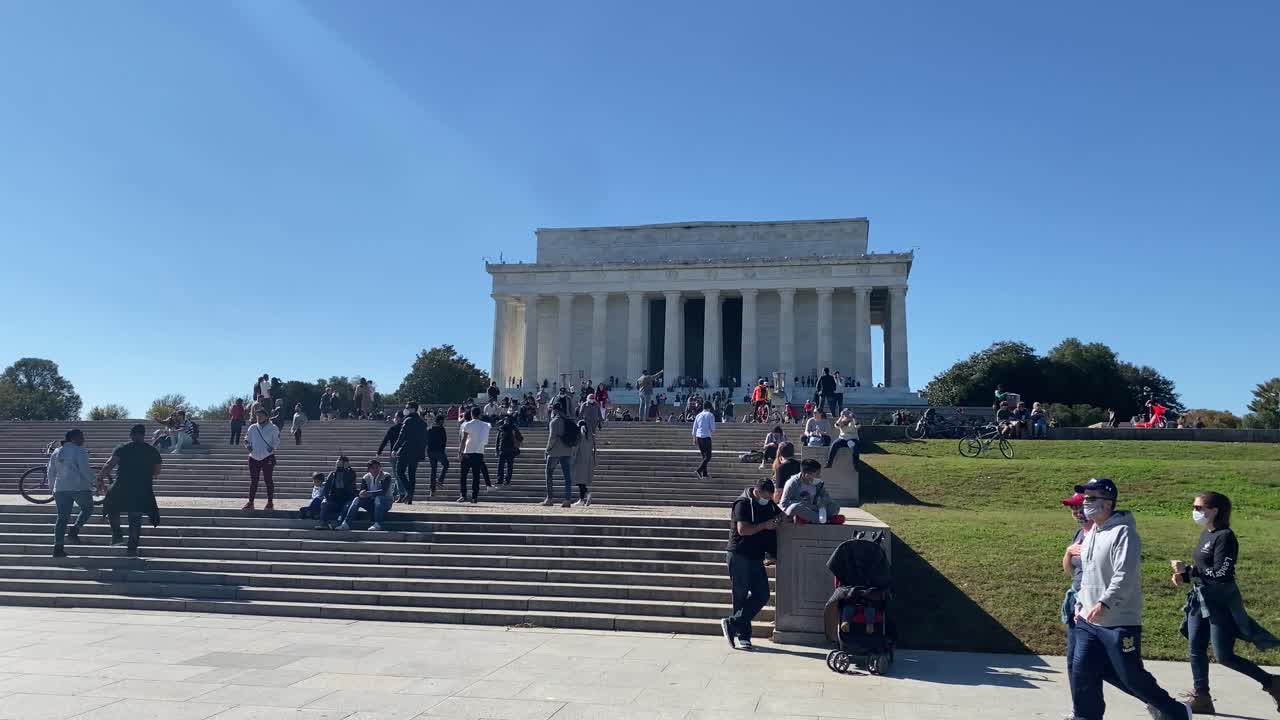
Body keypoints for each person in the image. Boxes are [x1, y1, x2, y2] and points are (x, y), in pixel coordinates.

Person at [1069, 478, 1191, 720]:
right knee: (1082, 672)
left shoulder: (1124, 533)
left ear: (1107, 503)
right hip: (1087, 621)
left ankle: (1175, 712)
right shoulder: (1092, 530)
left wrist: (1104, 603)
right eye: (1085, 498)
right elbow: (1088, 573)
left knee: (1131, 676)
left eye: (1091, 499)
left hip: (1118, 619)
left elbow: (1124, 575)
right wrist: (1082, 603)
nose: (1085, 504)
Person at [1171, 491, 1279, 715]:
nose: (1195, 511)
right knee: (1195, 649)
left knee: (1224, 656)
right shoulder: (1206, 534)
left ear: (1215, 511)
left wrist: (1191, 570)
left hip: (1219, 603)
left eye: (1199, 508)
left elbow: (1221, 572)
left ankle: (1272, 683)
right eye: (1195, 507)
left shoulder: (1225, 537)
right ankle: (1202, 697)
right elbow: (1204, 571)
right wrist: (1185, 576)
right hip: (1199, 600)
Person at [721, 478, 783, 651]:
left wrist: (779, 520)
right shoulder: (743, 503)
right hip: (739, 554)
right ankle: (744, 637)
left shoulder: (769, 503)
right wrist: (765, 525)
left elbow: (781, 514)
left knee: (762, 594)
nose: (767, 500)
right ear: (757, 491)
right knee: (740, 596)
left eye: (770, 497)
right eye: (765, 496)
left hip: (756, 556)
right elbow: (743, 530)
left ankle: (732, 623)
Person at [95, 424, 162, 558]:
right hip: (142, 488)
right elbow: (157, 471)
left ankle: (117, 535)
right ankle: (131, 548)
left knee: (111, 506)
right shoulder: (152, 450)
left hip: (122, 486)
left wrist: (100, 479)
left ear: (131, 435)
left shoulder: (123, 448)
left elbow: (109, 464)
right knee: (135, 518)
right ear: (143, 435)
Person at [48, 429, 95, 558]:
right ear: (74, 438)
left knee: (62, 518)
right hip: (79, 487)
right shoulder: (79, 451)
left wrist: (52, 488)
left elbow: (50, 471)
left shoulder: (57, 451)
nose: (83, 440)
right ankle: (74, 530)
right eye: (81, 437)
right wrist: (96, 483)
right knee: (88, 509)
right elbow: (85, 470)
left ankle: (58, 548)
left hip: (61, 489)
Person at [778, 459, 843, 524]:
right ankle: (825, 520)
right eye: (817, 474)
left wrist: (822, 503)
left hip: (814, 510)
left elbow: (826, 497)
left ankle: (808, 519)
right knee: (796, 507)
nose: (819, 476)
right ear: (807, 475)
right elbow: (784, 504)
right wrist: (806, 505)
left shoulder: (818, 483)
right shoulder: (793, 482)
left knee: (834, 506)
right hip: (799, 509)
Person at [338, 460, 393, 531]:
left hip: (385, 502)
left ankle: (377, 524)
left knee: (378, 498)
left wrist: (368, 493)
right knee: (356, 499)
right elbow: (363, 490)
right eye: (373, 468)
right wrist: (361, 493)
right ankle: (346, 524)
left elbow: (383, 492)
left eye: (377, 467)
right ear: (369, 469)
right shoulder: (366, 477)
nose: (375, 470)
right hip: (371, 503)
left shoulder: (386, 476)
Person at [242, 407, 280, 511]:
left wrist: (272, 448)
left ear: (266, 416)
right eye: (257, 415)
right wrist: (248, 446)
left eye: (260, 415)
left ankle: (270, 502)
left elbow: (276, 441)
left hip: (267, 457)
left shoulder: (273, 428)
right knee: (254, 480)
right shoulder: (253, 427)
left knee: (268, 480)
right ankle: (250, 502)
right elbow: (246, 439)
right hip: (253, 457)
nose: (258, 417)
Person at [393, 402, 428, 504]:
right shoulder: (422, 422)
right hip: (417, 451)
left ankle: (409, 491)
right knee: (412, 473)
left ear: (412, 409)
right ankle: (410, 497)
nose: (405, 409)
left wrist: (395, 448)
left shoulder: (407, 420)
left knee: (399, 471)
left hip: (406, 449)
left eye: (407, 408)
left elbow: (402, 436)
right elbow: (425, 439)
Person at [457, 407, 491, 503]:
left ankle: (463, 495)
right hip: (479, 451)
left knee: (463, 475)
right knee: (476, 476)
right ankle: (474, 496)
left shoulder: (468, 424)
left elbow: (464, 439)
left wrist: (460, 452)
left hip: (468, 451)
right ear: (480, 414)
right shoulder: (484, 425)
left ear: (471, 414)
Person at [544, 404, 575, 507]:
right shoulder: (569, 421)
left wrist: (547, 449)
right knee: (567, 477)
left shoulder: (554, 422)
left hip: (555, 452)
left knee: (548, 473)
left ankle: (550, 498)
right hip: (567, 451)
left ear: (555, 411)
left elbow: (552, 438)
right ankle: (567, 499)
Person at [315, 456, 358, 530]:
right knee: (324, 503)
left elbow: (350, 482)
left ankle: (339, 524)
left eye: (340, 463)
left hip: (346, 499)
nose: (338, 465)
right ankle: (323, 523)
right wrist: (327, 498)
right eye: (338, 463)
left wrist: (346, 468)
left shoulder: (351, 473)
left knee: (347, 506)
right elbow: (326, 488)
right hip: (334, 500)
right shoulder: (332, 474)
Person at [571, 418, 596, 507]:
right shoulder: (590, 436)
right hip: (588, 461)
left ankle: (586, 495)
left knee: (579, 480)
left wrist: (572, 459)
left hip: (579, 460)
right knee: (582, 481)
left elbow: (576, 449)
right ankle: (582, 499)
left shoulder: (580, 436)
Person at [495, 414, 523, 487]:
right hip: (502, 450)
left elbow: (520, 438)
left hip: (511, 450)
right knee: (500, 466)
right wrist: (497, 450)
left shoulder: (514, 428)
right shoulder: (501, 428)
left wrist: (516, 439)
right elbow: (497, 440)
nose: (506, 421)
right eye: (505, 420)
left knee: (509, 466)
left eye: (507, 420)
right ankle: (499, 479)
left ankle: (507, 480)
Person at [426, 414, 449, 497]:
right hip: (438, 451)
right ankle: (440, 480)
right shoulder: (441, 429)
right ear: (441, 421)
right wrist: (442, 451)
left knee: (433, 470)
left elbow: (426, 440)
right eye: (443, 420)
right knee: (446, 464)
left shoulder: (429, 428)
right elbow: (444, 441)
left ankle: (432, 491)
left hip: (430, 451)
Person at [692, 403, 715, 480]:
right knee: (708, 456)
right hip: (706, 437)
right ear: (709, 407)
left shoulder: (698, 415)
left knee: (704, 457)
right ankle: (698, 470)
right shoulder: (710, 415)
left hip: (699, 437)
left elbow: (694, 428)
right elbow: (713, 428)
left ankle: (705, 474)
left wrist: (694, 439)